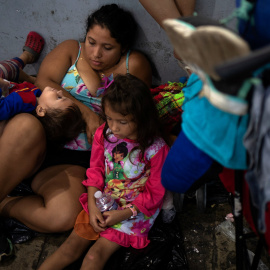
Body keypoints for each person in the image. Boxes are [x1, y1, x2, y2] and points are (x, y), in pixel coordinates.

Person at [0, 3, 152, 238]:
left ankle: (5, 204)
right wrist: (86, 112)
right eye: (91, 42)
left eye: (107, 47)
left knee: (62, 216)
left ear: (123, 48)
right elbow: (43, 81)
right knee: (25, 126)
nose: (96, 54)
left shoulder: (135, 65)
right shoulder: (72, 49)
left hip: (74, 161)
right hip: (40, 136)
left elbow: (134, 111)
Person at [38, 74, 170, 270]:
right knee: (68, 249)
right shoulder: (104, 134)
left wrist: (123, 214)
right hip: (102, 200)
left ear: (141, 118)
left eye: (122, 122)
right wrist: (92, 206)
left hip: (134, 211)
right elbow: (96, 170)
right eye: (109, 118)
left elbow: (155, 193)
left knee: (94, 257)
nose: (114, 127)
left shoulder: (155, 149)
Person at [0, 79, 84, 145]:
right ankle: (24, 58)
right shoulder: (37, 94)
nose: (61, 91)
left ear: (40, 110)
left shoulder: (22, 102)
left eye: (58, 98)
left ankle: (25, 58)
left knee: (11, 67)